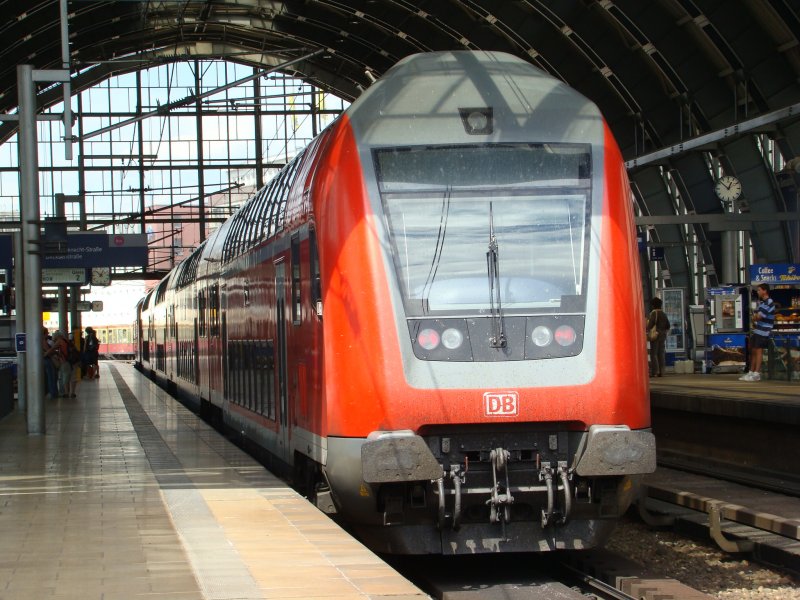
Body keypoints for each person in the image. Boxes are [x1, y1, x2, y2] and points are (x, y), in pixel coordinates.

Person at [739, 283, 775, 382]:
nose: (758, 292)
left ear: (765, 291)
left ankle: (757, 373)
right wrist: (755, 317)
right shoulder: (762, 303)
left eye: (759, 290)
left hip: (764, 331)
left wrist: (755, 317)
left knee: (758, 351)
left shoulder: (769, 302)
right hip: (758, 330)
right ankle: (751, 371)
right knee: (753, 350)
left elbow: (758, 317)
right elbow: (755, 317)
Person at [646, 297, 671, 377]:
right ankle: (662, 371)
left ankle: (655, 371)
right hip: (663, 335)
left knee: (654, 353)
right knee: (661, 353)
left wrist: (647, 328)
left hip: (655, 335)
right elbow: (668, 325)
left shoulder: (654, 313)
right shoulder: (663, 314)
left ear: (653, 305)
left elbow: (650, 325)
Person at [41, 327, 58, 399]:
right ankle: (53, 393)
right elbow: (48, 352)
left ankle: (48, 392)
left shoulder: (39, 340)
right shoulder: (43, 341)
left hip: (43, 360)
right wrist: (54, 348)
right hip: (47, 360)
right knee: (51, 377)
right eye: (47, 333)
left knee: (48, 377)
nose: (48, 334)